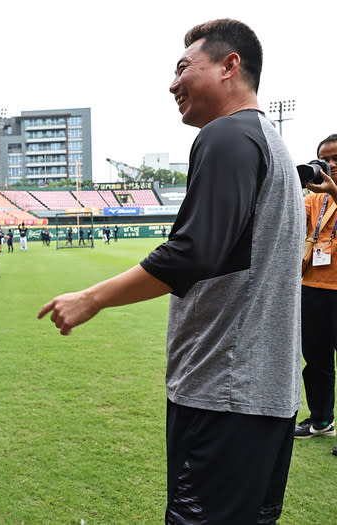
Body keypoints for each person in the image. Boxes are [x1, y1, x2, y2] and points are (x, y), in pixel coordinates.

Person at [38, 19, 303, 524]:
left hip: (223, 395)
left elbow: (192, 252)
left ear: (230, 66)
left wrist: (92, 298)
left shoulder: (227, 134)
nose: (172, 83)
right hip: (267, 398)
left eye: (184, 68)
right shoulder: (270, 142)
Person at [296, 134, 337, 450]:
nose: (331, 166)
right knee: (317, 359)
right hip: (312, 288)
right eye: (325, 160)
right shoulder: (314, 200)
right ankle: (322, 420)